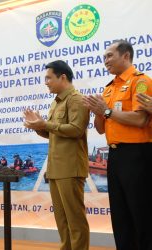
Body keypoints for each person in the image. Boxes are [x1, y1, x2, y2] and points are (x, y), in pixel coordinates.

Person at [83, 40, 152, 250]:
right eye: (104, 57)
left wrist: (106, 111)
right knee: (120, 215)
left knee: (141, 212)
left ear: (126, 56)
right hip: (115, 156)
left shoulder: (140, 82)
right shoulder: (109, 88)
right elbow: (101, 128)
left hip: (137, 154)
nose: (105, 61)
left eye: (110, 56)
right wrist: (97, 112)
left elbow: (140, 120)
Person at [23, 60, 90, 250]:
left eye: (48, 78)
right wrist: (38, 127)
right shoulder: (56, 102)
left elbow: (76, 129)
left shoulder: (76, 99)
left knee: (75, 221)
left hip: (71, 168)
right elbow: (53, 132)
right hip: (56, 169)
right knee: (62, 220)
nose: (46, 82)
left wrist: (45, 125)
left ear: (63, 77)